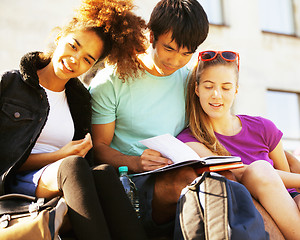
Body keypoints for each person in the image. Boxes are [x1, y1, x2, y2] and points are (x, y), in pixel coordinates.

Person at [0, 0, 148, 239]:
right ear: (60, 37)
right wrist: (61, 156)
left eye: (88, 59)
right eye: (73, 45)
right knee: (73, 165)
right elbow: (6, 158)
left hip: (62, 179)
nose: (75, 59)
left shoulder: (80, 101)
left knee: (104, 173)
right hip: (14, 184)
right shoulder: (11, 85)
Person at [89, 0, 209, 238]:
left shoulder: (189, 81)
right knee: (186, 184)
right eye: (169, 49)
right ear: (151, 35)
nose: (175, 61)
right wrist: (135, 162)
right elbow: (98, 148)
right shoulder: (111, 80)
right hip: (131, 182)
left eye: (186, 53)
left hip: (179, 170)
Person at [177, 50, 300, 240]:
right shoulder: (188, 140)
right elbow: (239, 171)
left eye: (226, 87)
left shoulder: (264, 127)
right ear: (197, 89)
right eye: (209, 86)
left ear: (235, 90)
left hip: (285, 208)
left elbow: (288, 185)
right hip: (242, 216)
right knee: (260, 169)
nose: (217, 95)